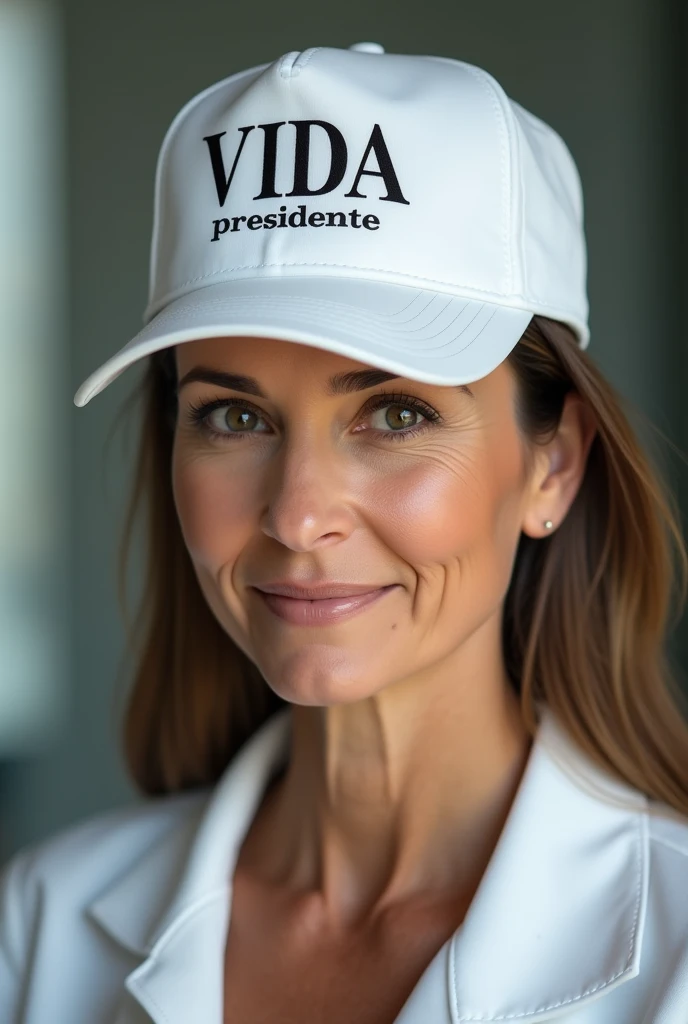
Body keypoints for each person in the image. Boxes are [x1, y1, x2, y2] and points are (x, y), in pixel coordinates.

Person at [2, 40, 688, 1024]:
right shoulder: (42, 925)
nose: (297, 514)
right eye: (234, 417)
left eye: (396, 413)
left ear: (554, 464)